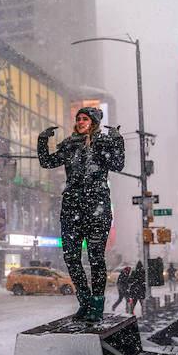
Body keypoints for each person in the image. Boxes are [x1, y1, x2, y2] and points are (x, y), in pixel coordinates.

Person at [38, 107, 125, 322]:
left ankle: (97, 304)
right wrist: (42, 140)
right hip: (71, 208)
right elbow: (47, 162)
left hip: (97, 207)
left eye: (85, 118)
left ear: (93, 122)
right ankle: (84, 301)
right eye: (78, 118)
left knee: (96, 258)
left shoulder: (103, 143)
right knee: (71, 257)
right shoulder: (69, 145)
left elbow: (118, 164)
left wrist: (118, 141)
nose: (80, 121)